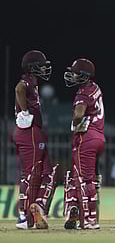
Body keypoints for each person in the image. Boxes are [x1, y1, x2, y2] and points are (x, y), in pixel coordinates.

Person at [14, 50, 57, 230]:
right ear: (32, 67)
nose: (44, 69)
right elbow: (18, 89)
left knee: (48, 172)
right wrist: (24, 112)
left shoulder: (34, 82)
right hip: (29, 130)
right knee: (32, 172)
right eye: (41, 65)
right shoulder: (27, 81)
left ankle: (37, 207)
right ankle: (24, 216)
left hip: (35, 130)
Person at [63, 58, 105, 229]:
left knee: (84, 179)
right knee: (81, 177)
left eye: (74, 73)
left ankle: (89, 220)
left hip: (85, 138)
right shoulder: (95, 88)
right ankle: (76, 209)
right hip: (99, 137)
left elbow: (79, 114)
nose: (71, 76)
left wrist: (74, 120)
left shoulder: (82, 93)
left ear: (83, 75)